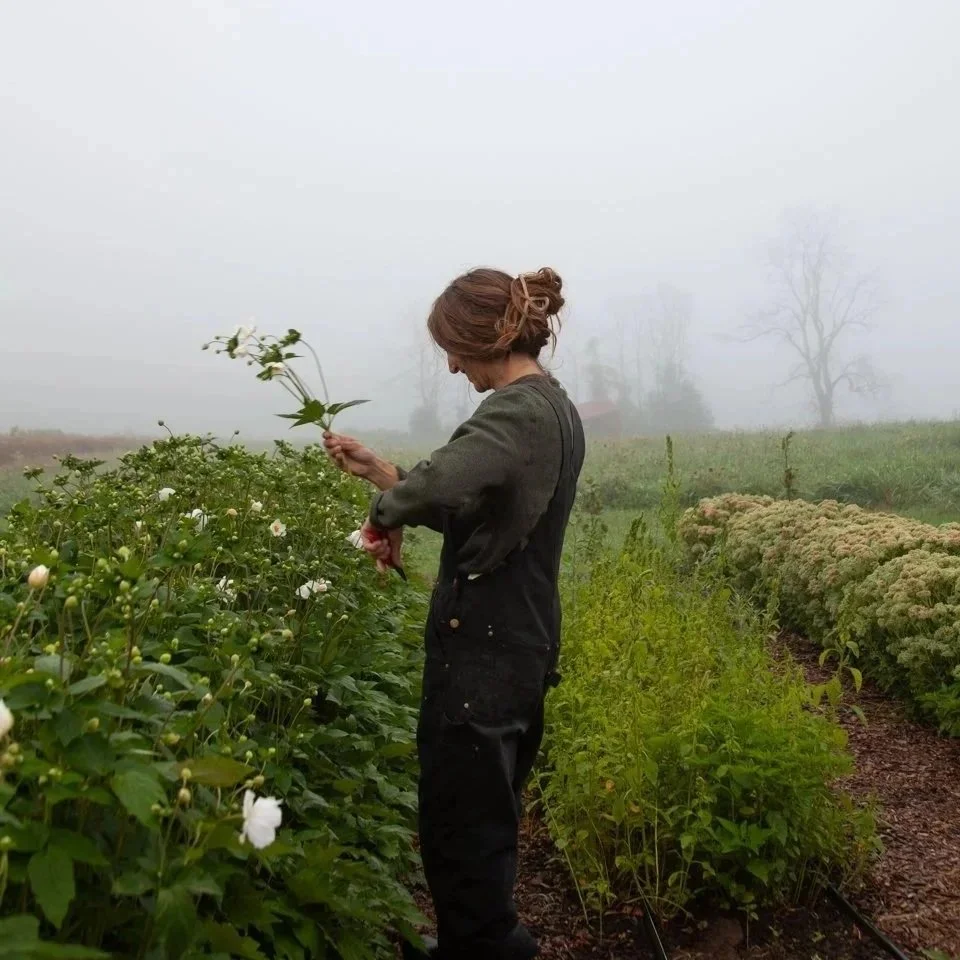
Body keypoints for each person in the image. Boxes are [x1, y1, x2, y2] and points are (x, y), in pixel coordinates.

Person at [323, 267, 585, 960]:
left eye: (453, 347)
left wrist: (384, 515)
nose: (449, 363)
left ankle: (488, 948)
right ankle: (475, 940)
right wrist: (387, 477)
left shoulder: (516, 409)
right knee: (482, 815)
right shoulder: (550, 406)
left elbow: (447, 477)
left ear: (483, 337)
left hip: (487, 652)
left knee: (461, 822)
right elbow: (476, 511)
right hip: (515, 640)